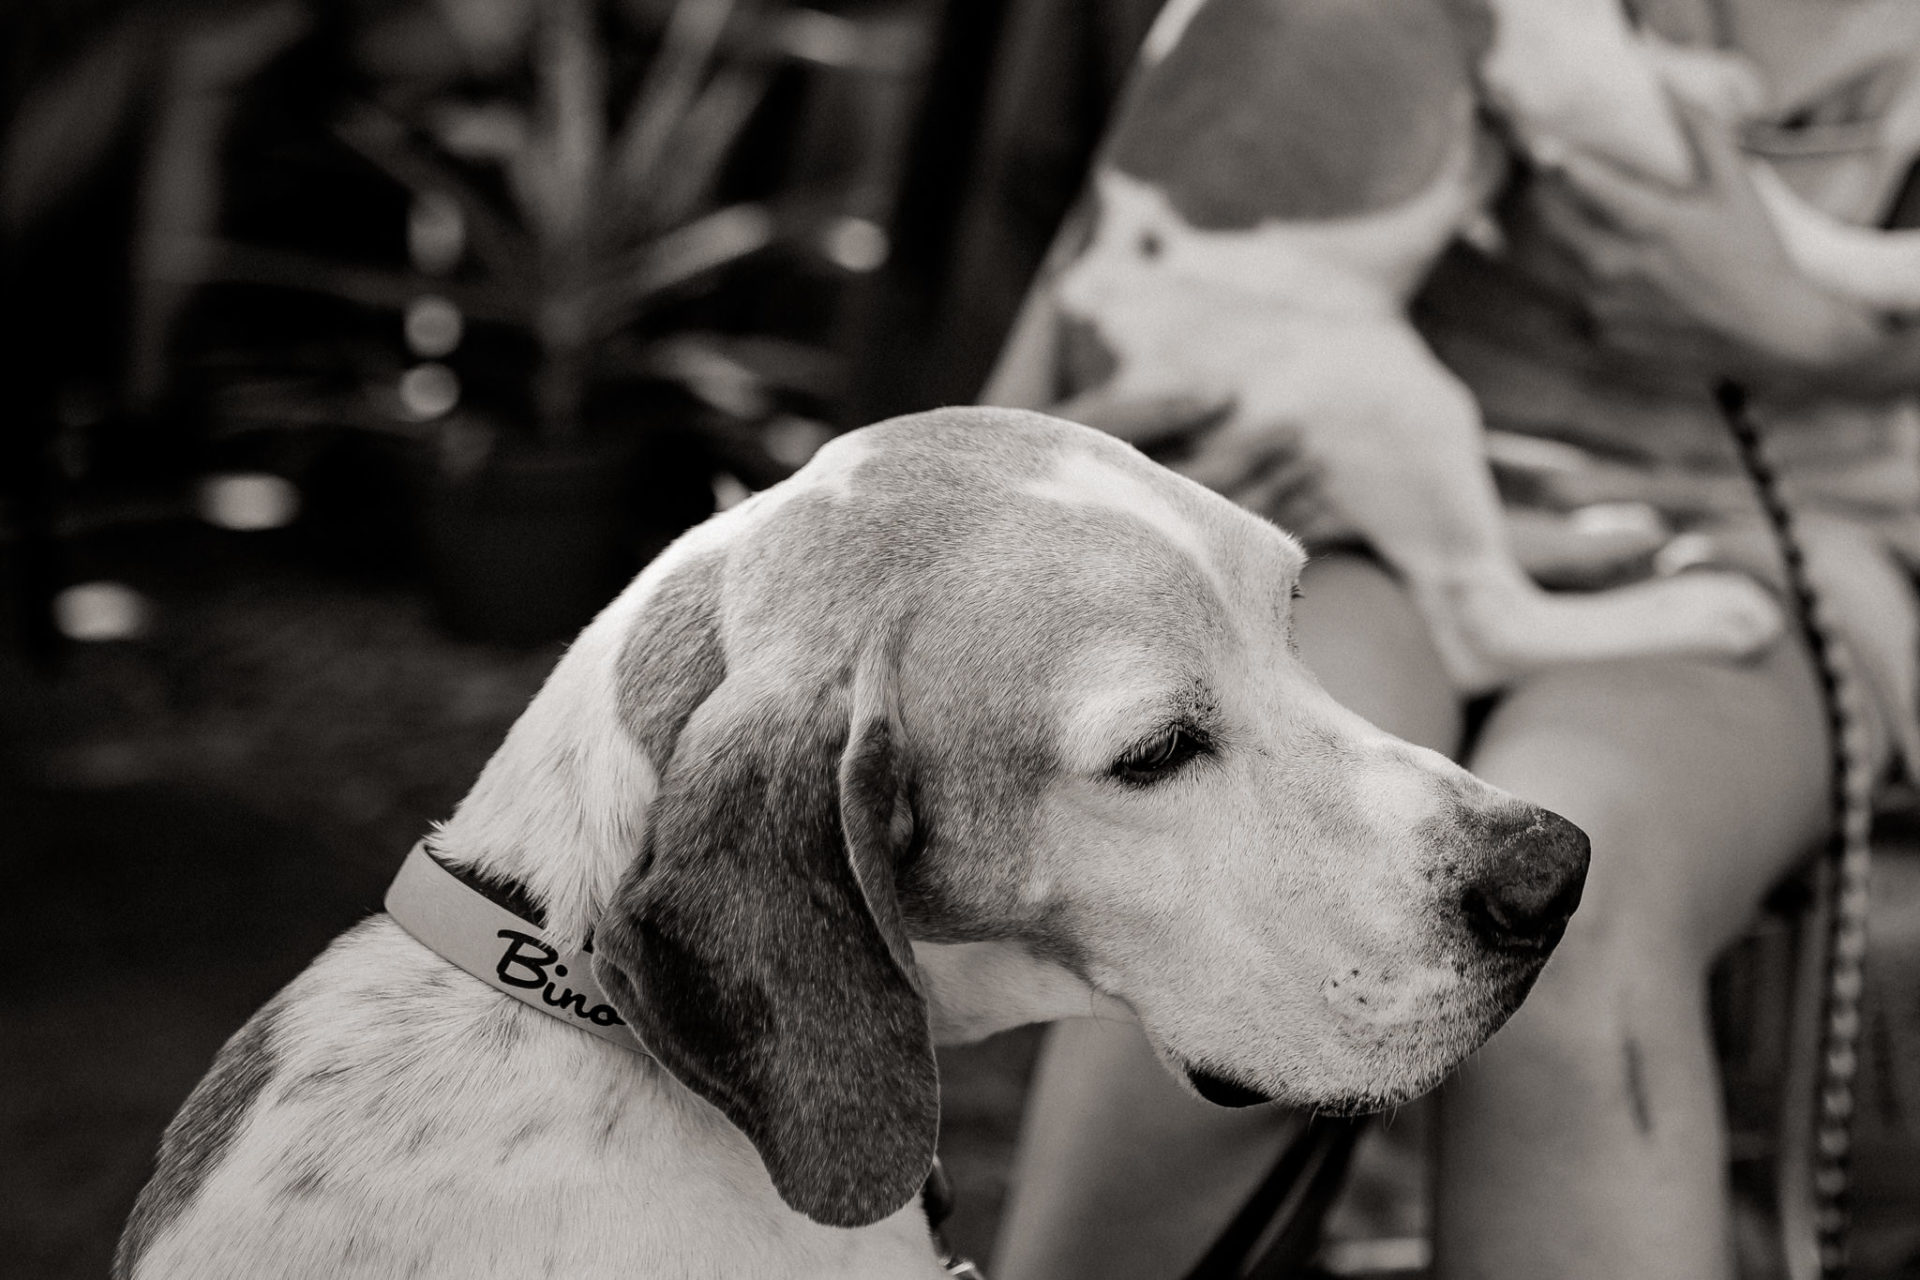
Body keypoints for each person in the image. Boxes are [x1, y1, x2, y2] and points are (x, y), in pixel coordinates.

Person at [984, 3, 1920, 1278]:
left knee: (1580, 899)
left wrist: (1810, 334)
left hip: (1784, 526)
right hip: (1367, 495)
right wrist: (1089, 448)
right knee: (1231, 842)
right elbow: (1120, 235)